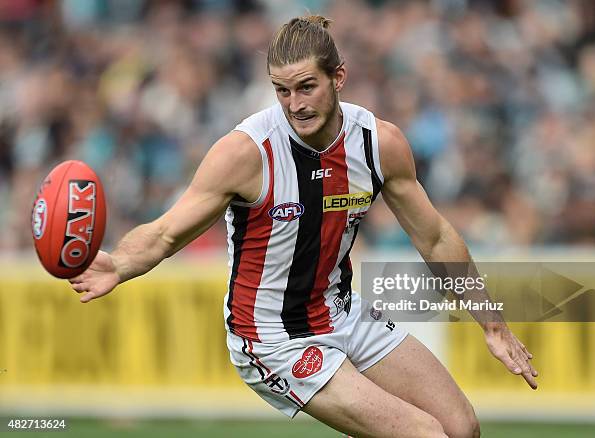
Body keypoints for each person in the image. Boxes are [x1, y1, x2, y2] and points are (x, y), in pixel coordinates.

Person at [69, 15, 538, 438]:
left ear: (339, 77)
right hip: (270, 337)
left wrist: (493, 327)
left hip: (344, 314)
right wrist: (121, 264)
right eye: (282, 90)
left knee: (462, 427)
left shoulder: (380, 143)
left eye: (307, 86)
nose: (295, 104)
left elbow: (434, 237)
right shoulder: (246, 152)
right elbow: (167, 232)